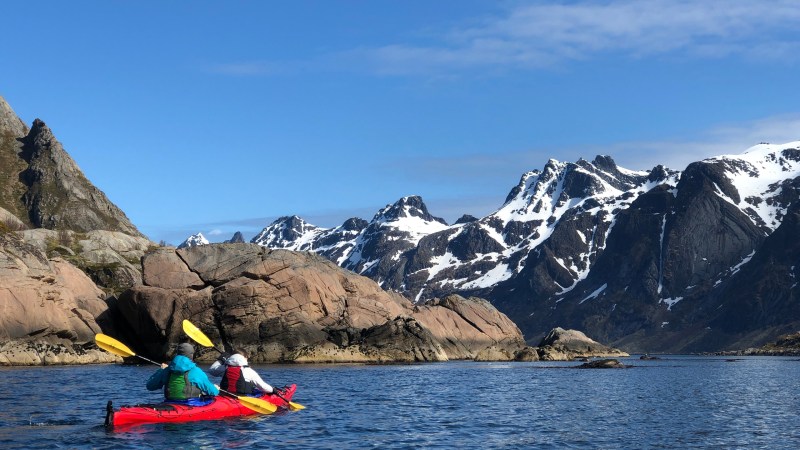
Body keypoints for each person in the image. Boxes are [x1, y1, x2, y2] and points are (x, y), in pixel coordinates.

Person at [146, 343, 219, 402]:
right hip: (191, 405)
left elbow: (150, 386)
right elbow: (213, 392)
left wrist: (161, 370)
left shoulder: (167, 370)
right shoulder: (196, 371)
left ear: (177, 354)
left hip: (169, 403)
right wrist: (216, 388)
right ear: (191, 355)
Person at [208, 351, 277, 396]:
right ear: (244, 359)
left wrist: (221, 360)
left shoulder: (224, 368)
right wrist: (273, 390)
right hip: (241, 398)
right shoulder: (249, 371)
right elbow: (262, 387)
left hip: (224, 395)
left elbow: (211, 370)